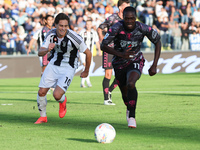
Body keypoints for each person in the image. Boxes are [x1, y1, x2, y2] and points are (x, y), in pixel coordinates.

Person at [101, 6, 161, 128]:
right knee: (125, 93)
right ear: (123, 18)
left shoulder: (143, 28)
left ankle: (132, 117)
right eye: (127, 19)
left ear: (135, 18)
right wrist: (120, 54)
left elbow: (157, 41)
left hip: (136, 60)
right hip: (119, 63)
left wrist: (154, 65)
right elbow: (103, 45)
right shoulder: (116, 27)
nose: (129, 21)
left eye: (131, 19)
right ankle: (129, 108)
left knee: (131, 83)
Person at [34, 13, 92, 124]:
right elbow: (40, 52)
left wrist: (86, 71)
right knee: (41, 92)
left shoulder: (75, 37)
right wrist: (47, 50)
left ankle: (63, 101)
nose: (63, 28)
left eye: (65, 26)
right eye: (61, 25)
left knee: (57, 95)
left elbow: (88, 53)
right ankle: (43, 117)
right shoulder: (50, 34)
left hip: (69, 67)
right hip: (54, 63)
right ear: (55, 25)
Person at [97, 0, 130, 105]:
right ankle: (106, 99)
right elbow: (100, 28)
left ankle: (110, 90)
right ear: (120, 7)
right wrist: (103, 40)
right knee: (108, 73)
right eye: (126, 6)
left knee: (123, 74)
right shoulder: (112, 18)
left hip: (121, 50)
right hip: (110, 49)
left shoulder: (128, 20)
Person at [79, 19, 101, 88]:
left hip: (90, 53)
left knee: (88, 66)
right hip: (82, 52)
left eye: (89, 24)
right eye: (87, 24)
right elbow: (78, 41)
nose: (88, 26)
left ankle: (84, 82)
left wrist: (99, 50)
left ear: (91, 25)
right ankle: (85, 83)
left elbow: (97, 42)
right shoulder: (82, 32)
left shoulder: (93, 33)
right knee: (85, 65)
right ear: (85, 25)